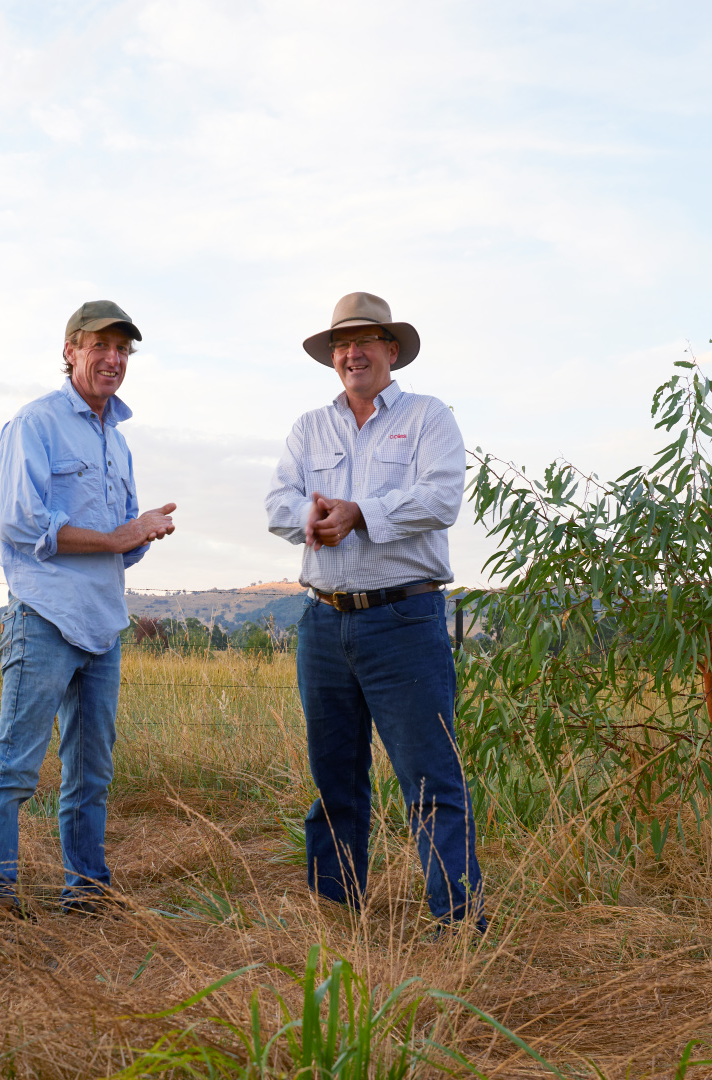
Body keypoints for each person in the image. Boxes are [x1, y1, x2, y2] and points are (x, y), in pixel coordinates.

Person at [264, 291, 487, 934]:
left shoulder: (427, 418)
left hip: (403, 622)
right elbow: (280, 502)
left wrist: (359, 514)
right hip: (325, 623)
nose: (352, 353)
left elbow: (441, 499)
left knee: (429, 780)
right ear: (333, 356)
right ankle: (337, 920)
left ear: (392, 350)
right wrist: (313, 517)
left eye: (366, 341)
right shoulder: (309, 428)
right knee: (335, 781)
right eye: (342, 344)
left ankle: (456, 927)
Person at [0, 300, 177, 919]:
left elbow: (119, 549)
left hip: (103, 625)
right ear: (70, 351)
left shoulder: (119, 442)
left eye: (123, 350)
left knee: (90, 774)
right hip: (45, 619)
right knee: (16, 765)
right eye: (100, 346)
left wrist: (140, 531)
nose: (113, 360)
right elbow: (18, 520)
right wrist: (114, 537)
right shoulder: (35, 424)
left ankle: (87, 890)